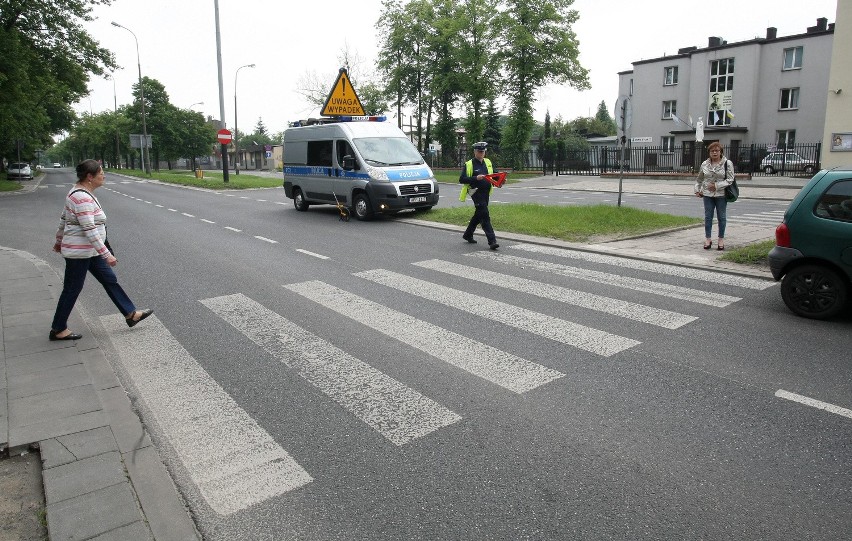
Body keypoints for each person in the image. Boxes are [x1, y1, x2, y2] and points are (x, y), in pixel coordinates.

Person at [49, 159, 153, 341]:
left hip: (89, 251)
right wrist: (107, 254)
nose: (103, 175)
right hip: (80, 252)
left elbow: (64, 219)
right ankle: (58, 329)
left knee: (110, 279)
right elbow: (89, 229)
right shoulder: (81, 197)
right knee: (72, 288)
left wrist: (59, 241)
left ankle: (130, 314)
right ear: (90, 177)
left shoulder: (83, 193)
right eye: (101, 172)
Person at [694, 142, 734, 251]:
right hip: (707, 195)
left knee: (721, 217)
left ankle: (721, 239)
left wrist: (716, 186)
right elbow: (699, 179)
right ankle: (708, 239)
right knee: (708, 217)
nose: (715, 152)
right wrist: (697, 190)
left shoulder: (727, 163)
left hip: (721, 194)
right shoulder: (704, 164)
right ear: (709, 153)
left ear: (721, 152)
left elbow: (730, 179)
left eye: (717, 150)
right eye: (712, 151)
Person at [459, 141, 499, 250]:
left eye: (483, 151)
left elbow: (494, 175)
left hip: (486, 192)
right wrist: (476, 178)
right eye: (479, 151)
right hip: (475, 192)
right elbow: (462, 179)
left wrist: (501, 180)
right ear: (475, 152)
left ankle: (468, 234)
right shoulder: (469, 164)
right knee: (485, 214)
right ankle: (492, 241)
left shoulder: (488, 162)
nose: (481, 153)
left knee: (479, 214)